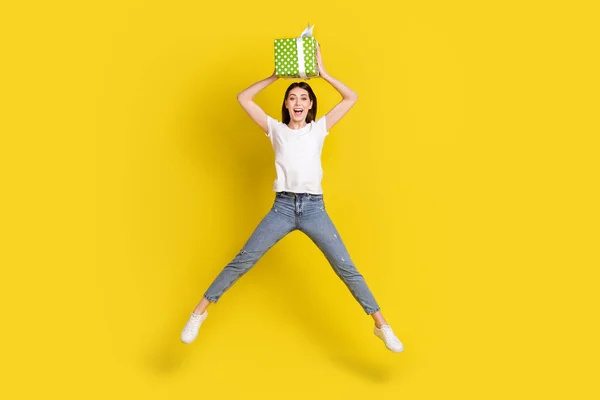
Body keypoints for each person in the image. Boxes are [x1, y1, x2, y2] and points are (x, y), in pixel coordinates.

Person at [181, 44, 404, 352]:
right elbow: (243, 98)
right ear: (286, 104)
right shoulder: (274, 129)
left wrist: (323, 73)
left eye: (304, 98)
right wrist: (275, 75)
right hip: (283, 208)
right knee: (244, 259)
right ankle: (198, 313)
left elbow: (350, 97)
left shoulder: (319, 128)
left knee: (345, 266)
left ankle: (382, 327)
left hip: (313, 209)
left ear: (310, 104)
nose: (298, 102)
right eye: (292, 98)